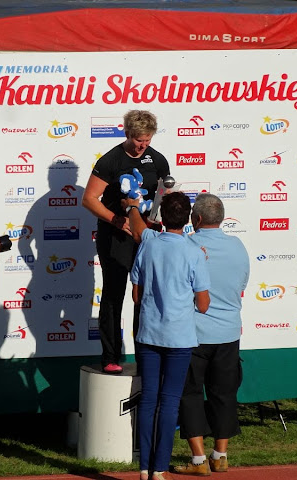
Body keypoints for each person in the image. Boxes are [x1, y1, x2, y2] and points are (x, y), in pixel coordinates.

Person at [129, 192, 210, 480]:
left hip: (149, 333)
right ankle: (159, 469)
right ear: (189, 219)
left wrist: (133, 207)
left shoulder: (149, 246)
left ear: (161, 217)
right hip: (178, 337)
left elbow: (136, 295)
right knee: (170, 401)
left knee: (149, 399)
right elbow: (203, 303)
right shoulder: (194, 252)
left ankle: (143, 468)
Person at [82, 110, 170, 374]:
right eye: (137, 140)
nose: (142, 145)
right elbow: (88, 199)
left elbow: (163, 193)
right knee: (114, 293)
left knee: (144, 295)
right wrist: (115, 220)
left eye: (147, 140)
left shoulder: (158, 160)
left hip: (146, 235)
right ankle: (110, 356)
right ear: (127, 133)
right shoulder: (111, 160)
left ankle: (146, 354)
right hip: (115, 235)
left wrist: (155, 219)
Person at [172, 193, 250, 475]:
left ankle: (198, 460)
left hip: (193, 333)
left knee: (189, 393)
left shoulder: (185, 244)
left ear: (198, 219)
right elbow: (242, 283)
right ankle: (221, 455)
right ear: (223, 218)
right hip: (228, 332)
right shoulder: (238, 246)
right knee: (225, 394)